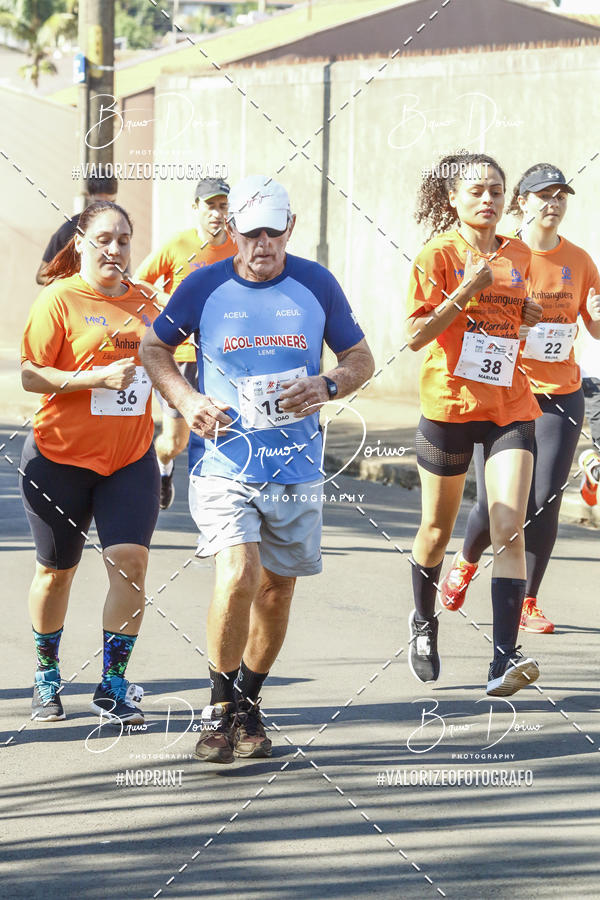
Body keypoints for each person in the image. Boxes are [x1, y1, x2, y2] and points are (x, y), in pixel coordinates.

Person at [141, 174, 374, 763]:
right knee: (239, 573)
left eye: (273, 231)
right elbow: (154, 348)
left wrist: (327, 383)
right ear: (233, 233)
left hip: (296, 466)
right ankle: (218, 708)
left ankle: (249, 700)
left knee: (275, 590)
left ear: (289, 229)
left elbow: (360, 357)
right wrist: (188, 401)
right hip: (224, 461)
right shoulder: (202, 286)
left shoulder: (317, 284)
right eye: (250, 233)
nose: (262, 244)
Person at [439, 164, 600, 633]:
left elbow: (593, 329)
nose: (553, 203)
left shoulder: (582, 260)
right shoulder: (505, 254)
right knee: (501, 504)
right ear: (522, 203)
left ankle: (528, 598)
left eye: (561, 196)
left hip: (560, 393)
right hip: (509, 391)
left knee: (545, 500)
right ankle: (467, 559)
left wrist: (593, 317)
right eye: (543, 195)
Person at [406, 151, 544, 698]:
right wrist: (464, 291)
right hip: (450, 405)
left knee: (510, 524)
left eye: (495, 190)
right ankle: (422, 621)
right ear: (453, 200)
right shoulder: (436, 255)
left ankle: (503, 661)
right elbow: (416, 335)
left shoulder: (517, 253)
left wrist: (527, 312)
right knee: (437, 531)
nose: (486, 199)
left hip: (510, 403)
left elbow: (513, 312)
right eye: (475, 190)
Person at [20, 200, 160, 725]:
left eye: (124, 239)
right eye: (104, 238)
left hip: (129, 457)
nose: (115, 249)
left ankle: (113, 685)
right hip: (60, 457)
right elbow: (31, 375)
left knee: (132, 564)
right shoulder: (58, 300)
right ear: (80, 243)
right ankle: (46, 677)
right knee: (57, 572)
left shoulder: (148, 301)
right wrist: (93, 379)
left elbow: (176, 362)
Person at [134, 177, 236, 510]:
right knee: (175, 442)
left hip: (225, 356)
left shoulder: (238, 246)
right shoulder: (178, 245)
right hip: (182, 356)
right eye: (210, 206)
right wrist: (176, 303)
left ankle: (222, 506)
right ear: (196, 208)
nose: (217, 214)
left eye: (223, 206)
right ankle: (163, 468)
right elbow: (138, 282)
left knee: (226, 431)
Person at [36, 176, 118, 285]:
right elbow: (42, 275)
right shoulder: (70, 229)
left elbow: (124, 275)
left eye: (111, 203)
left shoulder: (118, 230)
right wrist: (75, 286)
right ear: (88, 197)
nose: (105, 208)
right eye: (99, 203)